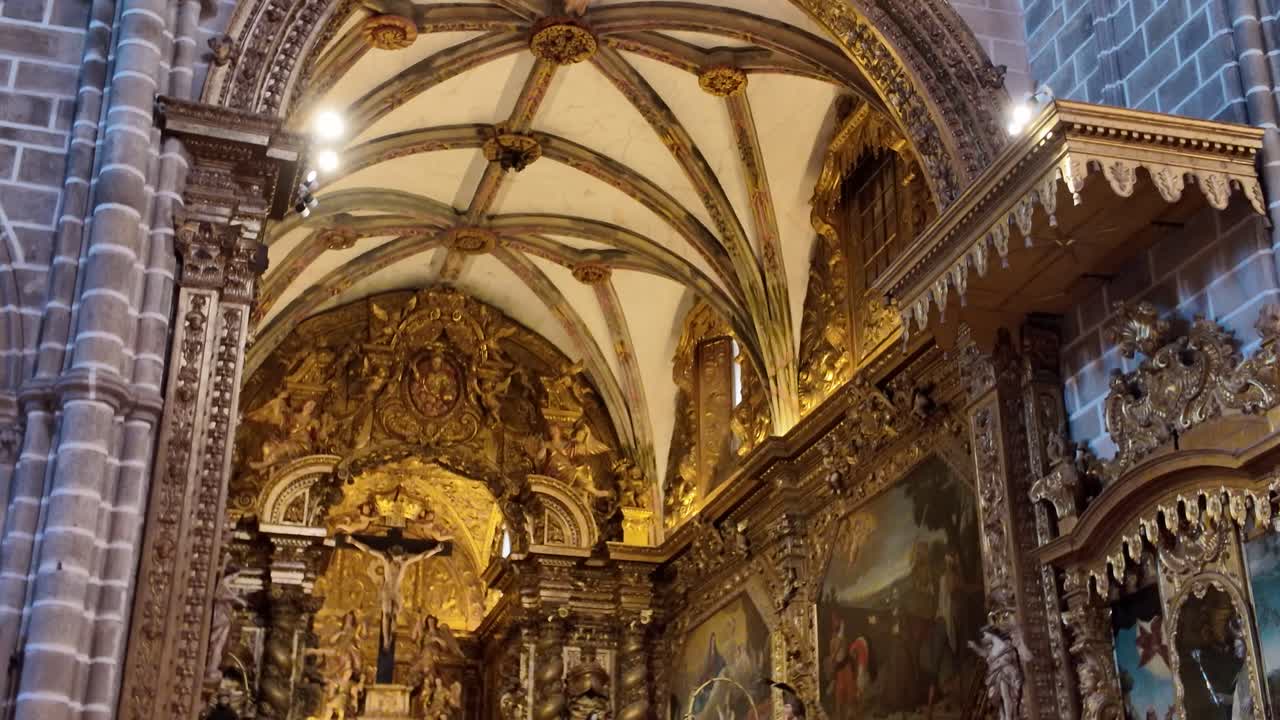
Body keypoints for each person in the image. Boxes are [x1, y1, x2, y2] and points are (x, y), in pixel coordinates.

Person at [343, 535, 444, 650]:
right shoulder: (385, 559)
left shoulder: (405, 562)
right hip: (387, 591)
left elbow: (422, 556)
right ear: (391, 555)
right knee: (386, 615)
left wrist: (435, 550)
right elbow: (368, 550)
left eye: (400, 558)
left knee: (394, 616)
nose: (398, 562)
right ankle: (386, 639)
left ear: (402, 555)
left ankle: (390, 638)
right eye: (396, 559)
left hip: (396, 592)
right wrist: (354, 542)